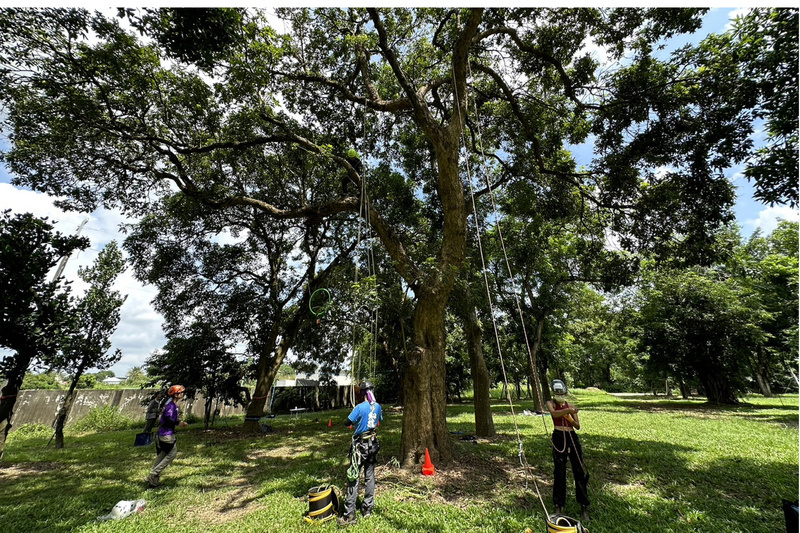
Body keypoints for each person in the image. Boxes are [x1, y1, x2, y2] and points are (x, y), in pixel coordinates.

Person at [338, 381, 383, 526]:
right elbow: (378, 421)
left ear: (362, 393)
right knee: (370, 476)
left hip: (360, 447)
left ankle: (350, 514)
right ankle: (367, 509)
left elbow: (347, 422)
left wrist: (356, 419)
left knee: (353, 476)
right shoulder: (378, 406)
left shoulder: (359, 408)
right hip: (373, 445)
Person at [546, 379, 590, 522]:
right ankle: (558, 505)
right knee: (559, 470)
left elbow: (577, 426)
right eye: (557, 393)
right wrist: (566, 411)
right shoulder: (551, 404)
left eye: (562, 393)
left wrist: (570, 418)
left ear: (565, 393)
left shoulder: (571, 405)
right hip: (559, 436)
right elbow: (554, 414)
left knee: (579, 470)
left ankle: (584, 506)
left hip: (571, 436)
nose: (560, 396)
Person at [146, 384, 188, 488]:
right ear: (176, 395)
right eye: (180, 392)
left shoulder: (171, 404)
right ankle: (154, 474)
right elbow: (169, 418)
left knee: (163, 454)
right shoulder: (171, 405)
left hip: (163, 434)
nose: (182, 394)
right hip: (166, 434)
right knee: (172, 454)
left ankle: (152, 478)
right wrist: (179, 423)